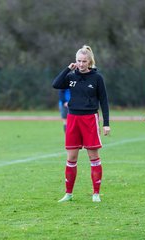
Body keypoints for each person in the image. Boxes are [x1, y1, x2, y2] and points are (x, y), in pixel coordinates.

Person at [52, 45, 110, 203]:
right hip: (73, 118)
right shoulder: (71, 76)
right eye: (78, 61)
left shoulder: (97, 78)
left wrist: (106, 123)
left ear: (90, 61)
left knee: (94, 157)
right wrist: (67, 69)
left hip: (90, 119)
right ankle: (68, 194)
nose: (81, 64)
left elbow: (104, 101)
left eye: (84, 61)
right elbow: (56, 84)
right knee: (71, 157)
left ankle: (96, 193)